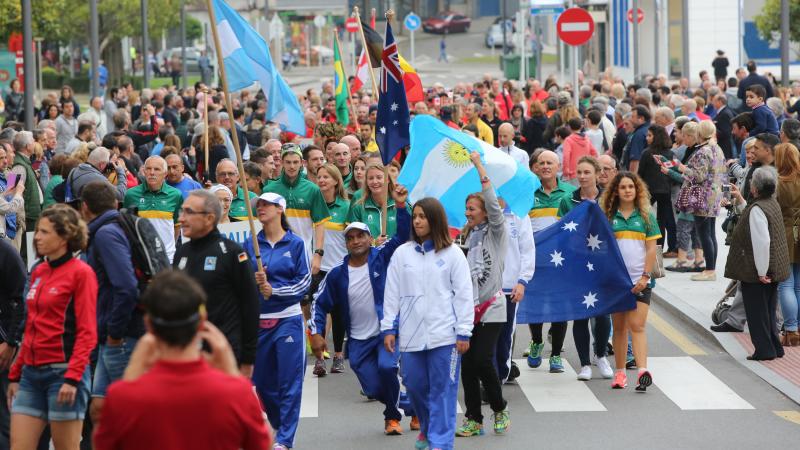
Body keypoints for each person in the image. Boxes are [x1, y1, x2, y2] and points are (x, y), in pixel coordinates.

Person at [92, 271, 272, 450]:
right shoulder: (235, 393)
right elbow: (262, 443)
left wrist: (130, 379)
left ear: (148, 324)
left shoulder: (122, 397)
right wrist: (234, 376)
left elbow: (103, 444)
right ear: (202, 321)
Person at [310, 183, 410, 435]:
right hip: (357, 340)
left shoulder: (381, 256)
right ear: (346, 243)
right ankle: (413, 406)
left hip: (386, 331)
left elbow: (403, 236)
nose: (355, 241)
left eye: (360, 236)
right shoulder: (336, 275)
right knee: (374, 389)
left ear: (369, 238)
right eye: (350, 238)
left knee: (388, 369)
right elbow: (319, 304)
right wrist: (317, 331)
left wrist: (399, 206)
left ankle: (392, 418)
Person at [382, 197, 473, 450]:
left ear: (435, 220)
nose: (418, 221)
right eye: (415, 216)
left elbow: (464, 294)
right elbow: (391, 293)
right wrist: (388, 327)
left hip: (445, 337)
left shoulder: (453, 254)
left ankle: (440, 443)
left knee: (443, 392)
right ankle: (427, 426)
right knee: (414, 385)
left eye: (423, 216)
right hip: (411, 336)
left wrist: (464, 331)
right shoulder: (403, 254)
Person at [7, 204, 98, 449]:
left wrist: (73, 377)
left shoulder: (82, 273)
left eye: (45, 232)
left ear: (65, 236)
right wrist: (15, 373)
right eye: (38, 231)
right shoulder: (38, 271)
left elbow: (87, 332)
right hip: (30, 374)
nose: (37, 237)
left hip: (64, 372)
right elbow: (31, 324)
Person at [244, 192, 310, 450]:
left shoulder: (296, 244)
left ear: (279, 209)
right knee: (262, 382)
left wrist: (275, 290)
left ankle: (284, 440)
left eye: (266, 205)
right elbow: (241, 280)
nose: (260, 208)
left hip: (288, 320)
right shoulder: (251, 244)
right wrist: (254, 282)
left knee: (289, 383)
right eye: (258, 205)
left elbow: (304, 283)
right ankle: (279, 424)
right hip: (259, 322)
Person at [173, 189, 259, 373]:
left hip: (223, 354)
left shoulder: (231, 252)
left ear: (209, 218)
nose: (181, 218)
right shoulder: (181, 253)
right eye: (181, 211)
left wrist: (248, 359)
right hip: (187, 354)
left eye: (189, 212)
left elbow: (250, 305)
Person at [455, 152, 510, 438]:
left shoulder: (497, 232)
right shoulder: (465, 237)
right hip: (467, 310)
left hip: (492, 308)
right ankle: (473, 419)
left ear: (486, 211)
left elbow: (491, 200)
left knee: (482, 360)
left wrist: (478, 165)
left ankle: (500, 407)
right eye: (466, 209)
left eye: (473, 208)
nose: (468, 213)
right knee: (466, 365)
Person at [79, 181, 141, 426]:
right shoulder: (116, 225)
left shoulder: (105, 234)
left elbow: (126, 287)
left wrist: (115, 332)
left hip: (122, 335)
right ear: (115, 203)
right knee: (100, 408)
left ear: (84, 208)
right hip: (111, 334)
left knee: (130, 412)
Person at [600, 172, 660, 391]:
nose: (627, 190)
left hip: (641, 281)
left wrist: (646, 276)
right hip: (616, 282)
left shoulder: (646, 217)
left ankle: (643, 371)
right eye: (623, 187)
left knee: (637, 325)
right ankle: (620, 373)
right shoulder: (608, 217)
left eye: (631, 187)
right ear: (616, 191)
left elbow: (652, 249)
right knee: (619, 327)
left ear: (637, 191)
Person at [558, 156, 614, 380]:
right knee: (580, 314)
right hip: (577, 266)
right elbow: (561, 232)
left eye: (586, 172)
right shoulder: (567, 200)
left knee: (602, 314)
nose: (581, 176)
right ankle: (584, 364)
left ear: (597, 174)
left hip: (603, 265)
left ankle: (600, 355)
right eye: (579, 172)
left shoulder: (609, 199)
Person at [724, 166, 788, 360]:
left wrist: (761, 272)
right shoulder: (770, 203)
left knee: (757, 313)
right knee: (768, 310)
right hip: (775, 267)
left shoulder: (758, 209)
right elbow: (754, 219)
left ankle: (764, 350)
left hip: (760, 270)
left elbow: (762, 242)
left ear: (754, 189)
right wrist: (742, 201)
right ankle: (775, 347)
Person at [525, 150, 575, 371]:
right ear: (535, 167)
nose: (545, 166)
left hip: (561, 262)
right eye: (541, 163)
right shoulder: (527, 193)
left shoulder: (571, 192)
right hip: (534, 260)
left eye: (550, 163)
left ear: (558, 167)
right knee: (535, 304)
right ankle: (536, 341)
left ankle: (555, 354)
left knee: (559, 307)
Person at [308, 164, 350, 376]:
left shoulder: (346, 206)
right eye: (319, 176)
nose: (322, 180)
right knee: (319, 313)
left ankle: (338, 355)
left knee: (339, 313)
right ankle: (320, 357)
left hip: (339, 268)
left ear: (335, 181)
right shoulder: (312, 204)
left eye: (326, 177)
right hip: (318, 268)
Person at [263, 144, 330, 273]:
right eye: (288, 162)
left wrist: (318, 254)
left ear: (302, 163)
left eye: (295, 162)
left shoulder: (313, 190)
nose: (292, 166)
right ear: (281, 162)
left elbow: (320, 224)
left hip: (303, 256)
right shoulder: (269, 190)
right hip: (275, 255)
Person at [674, 121, 727, 281]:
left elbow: (698, 176)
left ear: (699, 134)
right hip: (714, 196)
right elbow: (724, 174)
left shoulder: (703, 151)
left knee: (704, 234)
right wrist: (726, 196)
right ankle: (711, 268)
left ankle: (709, 270)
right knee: (710, 234)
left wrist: (683, 169)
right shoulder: (717, 148)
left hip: (702, 198)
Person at [123, 156, 183, 262]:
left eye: (156, 169)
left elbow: (177, 226)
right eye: (148, 169)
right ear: (144, 172)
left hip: (168, 259)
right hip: (141, 259)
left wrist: (168, 248)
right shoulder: (131, 195)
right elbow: (127, 227)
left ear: (165, 174)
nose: (152, 172)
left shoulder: (176, 195)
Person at [773, 144, 800, 346]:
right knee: (798, 285)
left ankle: (790, 330)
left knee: (786, 284)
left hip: (784, 233)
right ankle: (797, 326)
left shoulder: (778, 182)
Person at [637, 124, 677, 256]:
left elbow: (640, 174)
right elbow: (672, 171)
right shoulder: (670, 153)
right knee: (663, 220)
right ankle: (660, 248)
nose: (647, 138)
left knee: (646, 218)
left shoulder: (647, 153)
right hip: (665, 190)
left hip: (649, 190)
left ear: (656, 137)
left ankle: (648, 246)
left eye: (649, 135)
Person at [347, 162, 406, 242]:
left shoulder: (399, 203)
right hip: (370, 254)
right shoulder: (359, 206)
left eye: (379, 177)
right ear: (366, 182)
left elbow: (408, 232)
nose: (375, 181)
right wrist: (374, 244)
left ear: (387, 179)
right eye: (371, 178)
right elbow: (354, 240)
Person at [10, 131, 43, 235]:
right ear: (28, 146)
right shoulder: (19, 166)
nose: (35, 143)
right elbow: (10, 190)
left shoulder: (24, 163)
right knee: (26, 250)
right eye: (33, 141)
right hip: (26, 219)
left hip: (30, 217)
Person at [561, 118, 599, 184]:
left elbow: (566, 156)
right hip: (585, 171)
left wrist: (566, 171)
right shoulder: (586, 138)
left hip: (573, 172)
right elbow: (594, 153)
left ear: (569, 127)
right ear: (581, 126)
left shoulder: (568, 140)